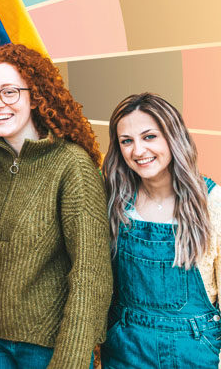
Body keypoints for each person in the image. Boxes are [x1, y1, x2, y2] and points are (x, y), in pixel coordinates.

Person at [0, 43, 112, 368]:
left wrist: (71, 360)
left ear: (35, 95)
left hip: (53, 345)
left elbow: (91, 273)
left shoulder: (71, 165)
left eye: (10, 92)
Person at [100, 93, 221, 367]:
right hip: (125, 349)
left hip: (195, 352)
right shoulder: (115, 203)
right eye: (126, 141)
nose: (138, 151)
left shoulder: (213, 205)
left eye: (149, 136)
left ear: (173, 137)